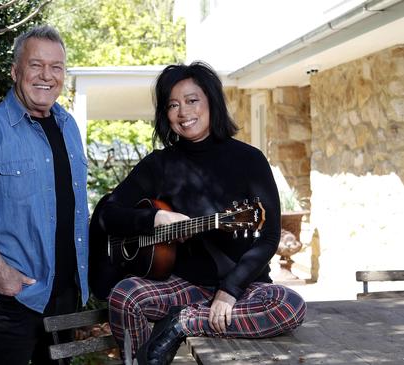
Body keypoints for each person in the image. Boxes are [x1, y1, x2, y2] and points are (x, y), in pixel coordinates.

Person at [96, 62, 307, 365]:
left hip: (243, 288)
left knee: (289, 305)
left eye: (192, 100)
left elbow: (269, 235)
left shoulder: (249, 160)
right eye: (173, 105)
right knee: (124, 296)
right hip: (182, 285)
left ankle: (184, 323)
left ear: (211, 102)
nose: (183, 112)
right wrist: (155, 218)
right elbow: (107, 213)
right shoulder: (160, 165)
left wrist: (229, 291)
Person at [0, 25, 89, 365]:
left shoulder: (69, 127)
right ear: (15, 71)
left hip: (67, 296)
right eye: (36, 65)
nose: (46, 76)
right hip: (14, 299)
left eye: (56, 67)